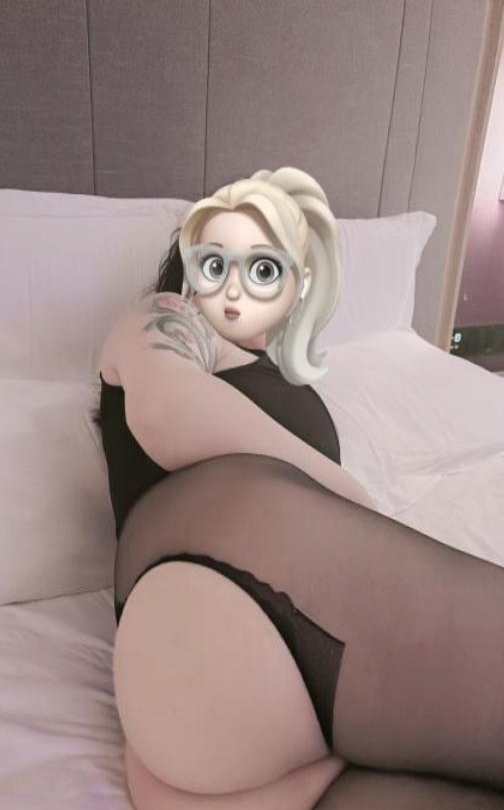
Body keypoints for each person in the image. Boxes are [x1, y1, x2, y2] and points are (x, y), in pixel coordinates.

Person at [97, 167, 504, 809]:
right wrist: (348, 492)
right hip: (222, 585)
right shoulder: (172, 313)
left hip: (200, 681)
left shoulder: (277, 375)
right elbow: (165, 412)